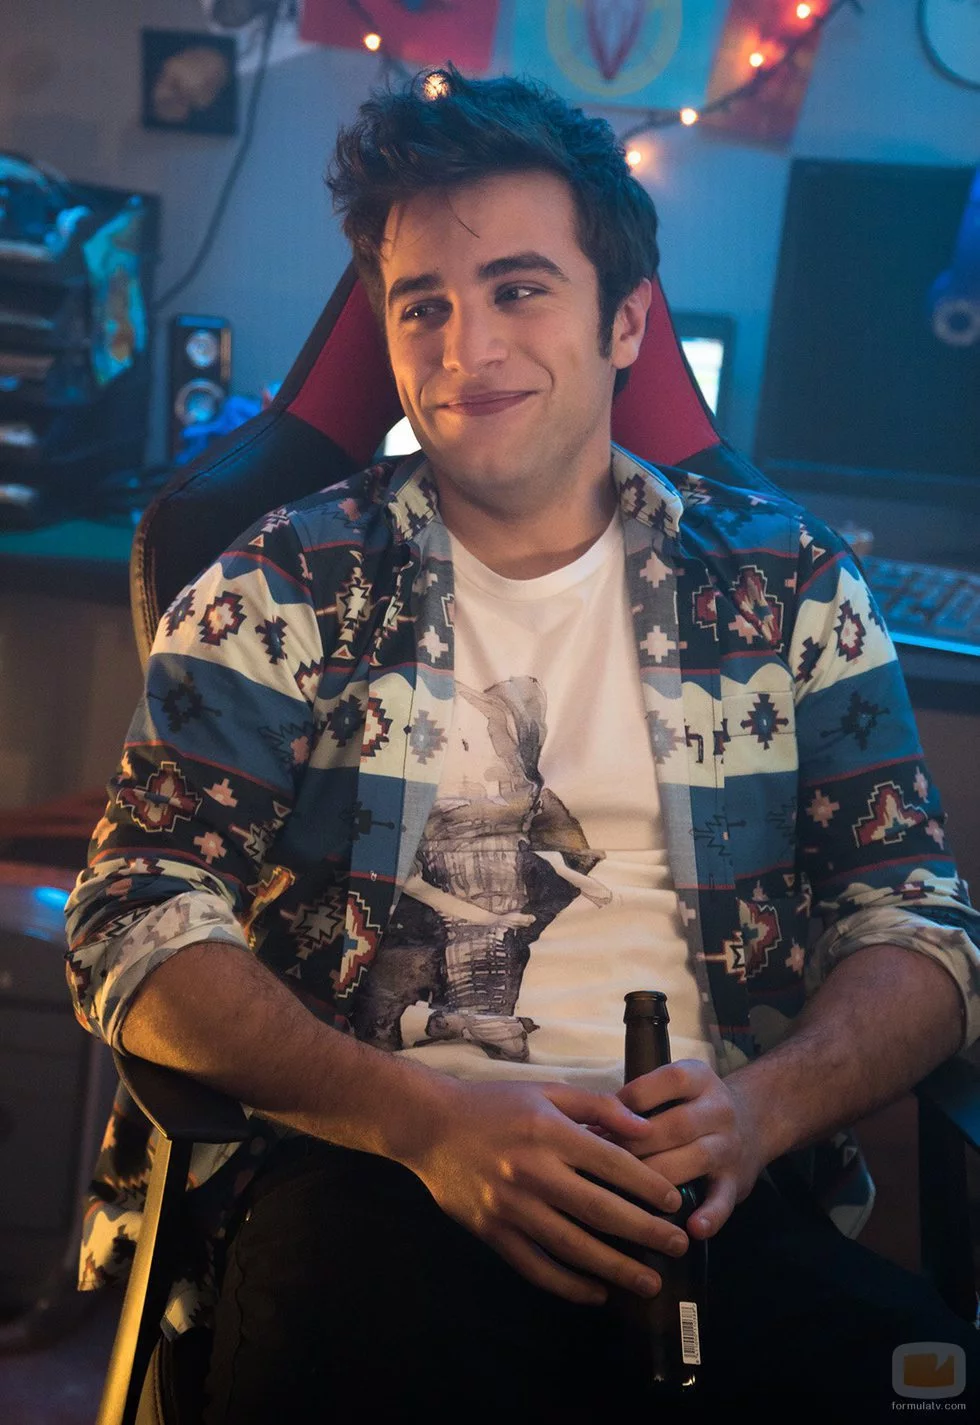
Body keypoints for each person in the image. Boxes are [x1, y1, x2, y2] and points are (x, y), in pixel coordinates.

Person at [65, 68, 980, 1422]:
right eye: (421, 305)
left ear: (627, 321)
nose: (465, 348)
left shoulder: (789, 586)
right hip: (379, 1173)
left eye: (518, 289)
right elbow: (132, 913)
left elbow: (916, 920)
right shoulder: (285, 582)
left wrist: (763, 1112)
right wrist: (420, 1120)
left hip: (714, 1180)